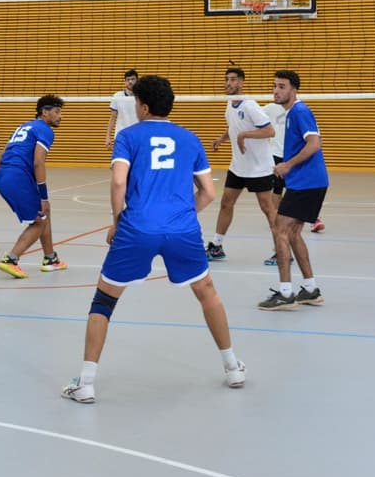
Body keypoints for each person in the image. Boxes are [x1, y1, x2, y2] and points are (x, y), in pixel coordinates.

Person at [61, 75, 245, 402]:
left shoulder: (128, 136)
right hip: (183, 230)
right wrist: (183, 215)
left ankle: (85, 384)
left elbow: (119, 182)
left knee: (104, 301)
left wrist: (117, 221)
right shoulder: (190, 138)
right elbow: (209, 193)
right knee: (207, 293)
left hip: (138, 228)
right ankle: (233, 367)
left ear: (143, 107)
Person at [258, 69, 328, 311]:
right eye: (275, 86)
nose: (276, 91)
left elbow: (314, 144)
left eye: (282, 86)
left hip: (308, 182)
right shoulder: (291, 113)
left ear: (294, 90)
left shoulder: (300, 111)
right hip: (306, 182)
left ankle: (286, 293)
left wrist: (287, 165)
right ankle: (310, 289)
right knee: (293, 233)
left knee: (279, 229)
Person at [0, 95, 68, 278]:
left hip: (2, 177)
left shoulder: (23, 127)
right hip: (17, 178)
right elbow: (38, 163)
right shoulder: (45, 130)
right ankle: (11, 259)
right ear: (44, 112)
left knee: (44, 213)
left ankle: (50, 259)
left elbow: (1, 157)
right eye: (56, 112)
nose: (60, 116)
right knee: (39, 221)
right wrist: (44, 197)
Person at [205, 68, 276, 262]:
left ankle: (282, 249)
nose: (228, 83)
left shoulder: (250, 105)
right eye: (227, 79)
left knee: (267, 208)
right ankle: (217, 246)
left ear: (242, 83)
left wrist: (245, 135)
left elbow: (270, 131)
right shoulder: (230, 103)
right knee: (226, 202)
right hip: (238, 166)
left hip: (259, 167)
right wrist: (222, 139)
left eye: (233, 80)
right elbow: (234, 126)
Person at [104, 69, 138, 149]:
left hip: (138, 136)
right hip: (121, 136)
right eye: (128, 80)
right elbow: (113, 117)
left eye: (133, 79)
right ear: (125, 82)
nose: (130, 82)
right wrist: (108, 136)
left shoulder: (142, 96)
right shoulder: (117, 96)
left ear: (137, 80)